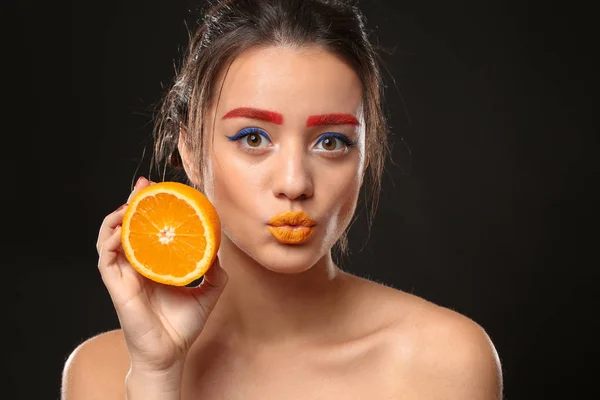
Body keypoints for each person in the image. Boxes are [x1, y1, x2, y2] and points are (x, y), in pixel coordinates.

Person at [62, 0, 503, 398]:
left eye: (331, 142)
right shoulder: (101, 374)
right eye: (254, 137)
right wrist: (157, 376)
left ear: (366, 153)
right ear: (191, 153)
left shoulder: (444, 364)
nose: (294, 183)